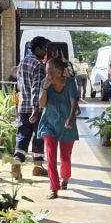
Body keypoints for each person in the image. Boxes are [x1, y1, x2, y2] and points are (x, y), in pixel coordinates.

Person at [34, 57, 80, 200]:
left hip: (66, 123)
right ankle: (54, 188)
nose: (48, 75)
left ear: (60, 72)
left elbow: (74, 102)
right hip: (49, 123)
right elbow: (42, 104)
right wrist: (45, 88)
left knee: (65, 157)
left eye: (51, 73)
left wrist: (71, 118)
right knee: (50, 156)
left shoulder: (70, 83)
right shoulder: (45, 83)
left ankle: (65, 176)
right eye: (47, 72)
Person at [14, 35, 50, 181]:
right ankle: (38, 167)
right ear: (38, 48)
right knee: (39, 136)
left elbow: (20, 86)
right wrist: (36, 108)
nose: (46, 52)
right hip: (36, 109)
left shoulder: (22, 63)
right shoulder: (39, 65)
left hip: (23, 107)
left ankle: (16, 163)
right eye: (44, 48)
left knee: (22, 136)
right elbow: (37, 88)